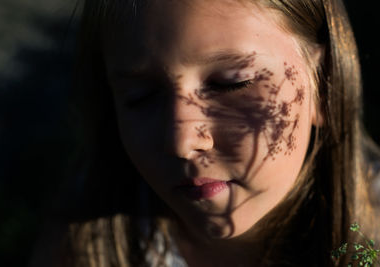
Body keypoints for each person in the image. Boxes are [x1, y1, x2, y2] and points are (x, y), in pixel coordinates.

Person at [32, 0, 380, 266]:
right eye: (140, 98)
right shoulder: (84, 245)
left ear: (325, 85)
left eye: (232, 84)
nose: (180, 143)